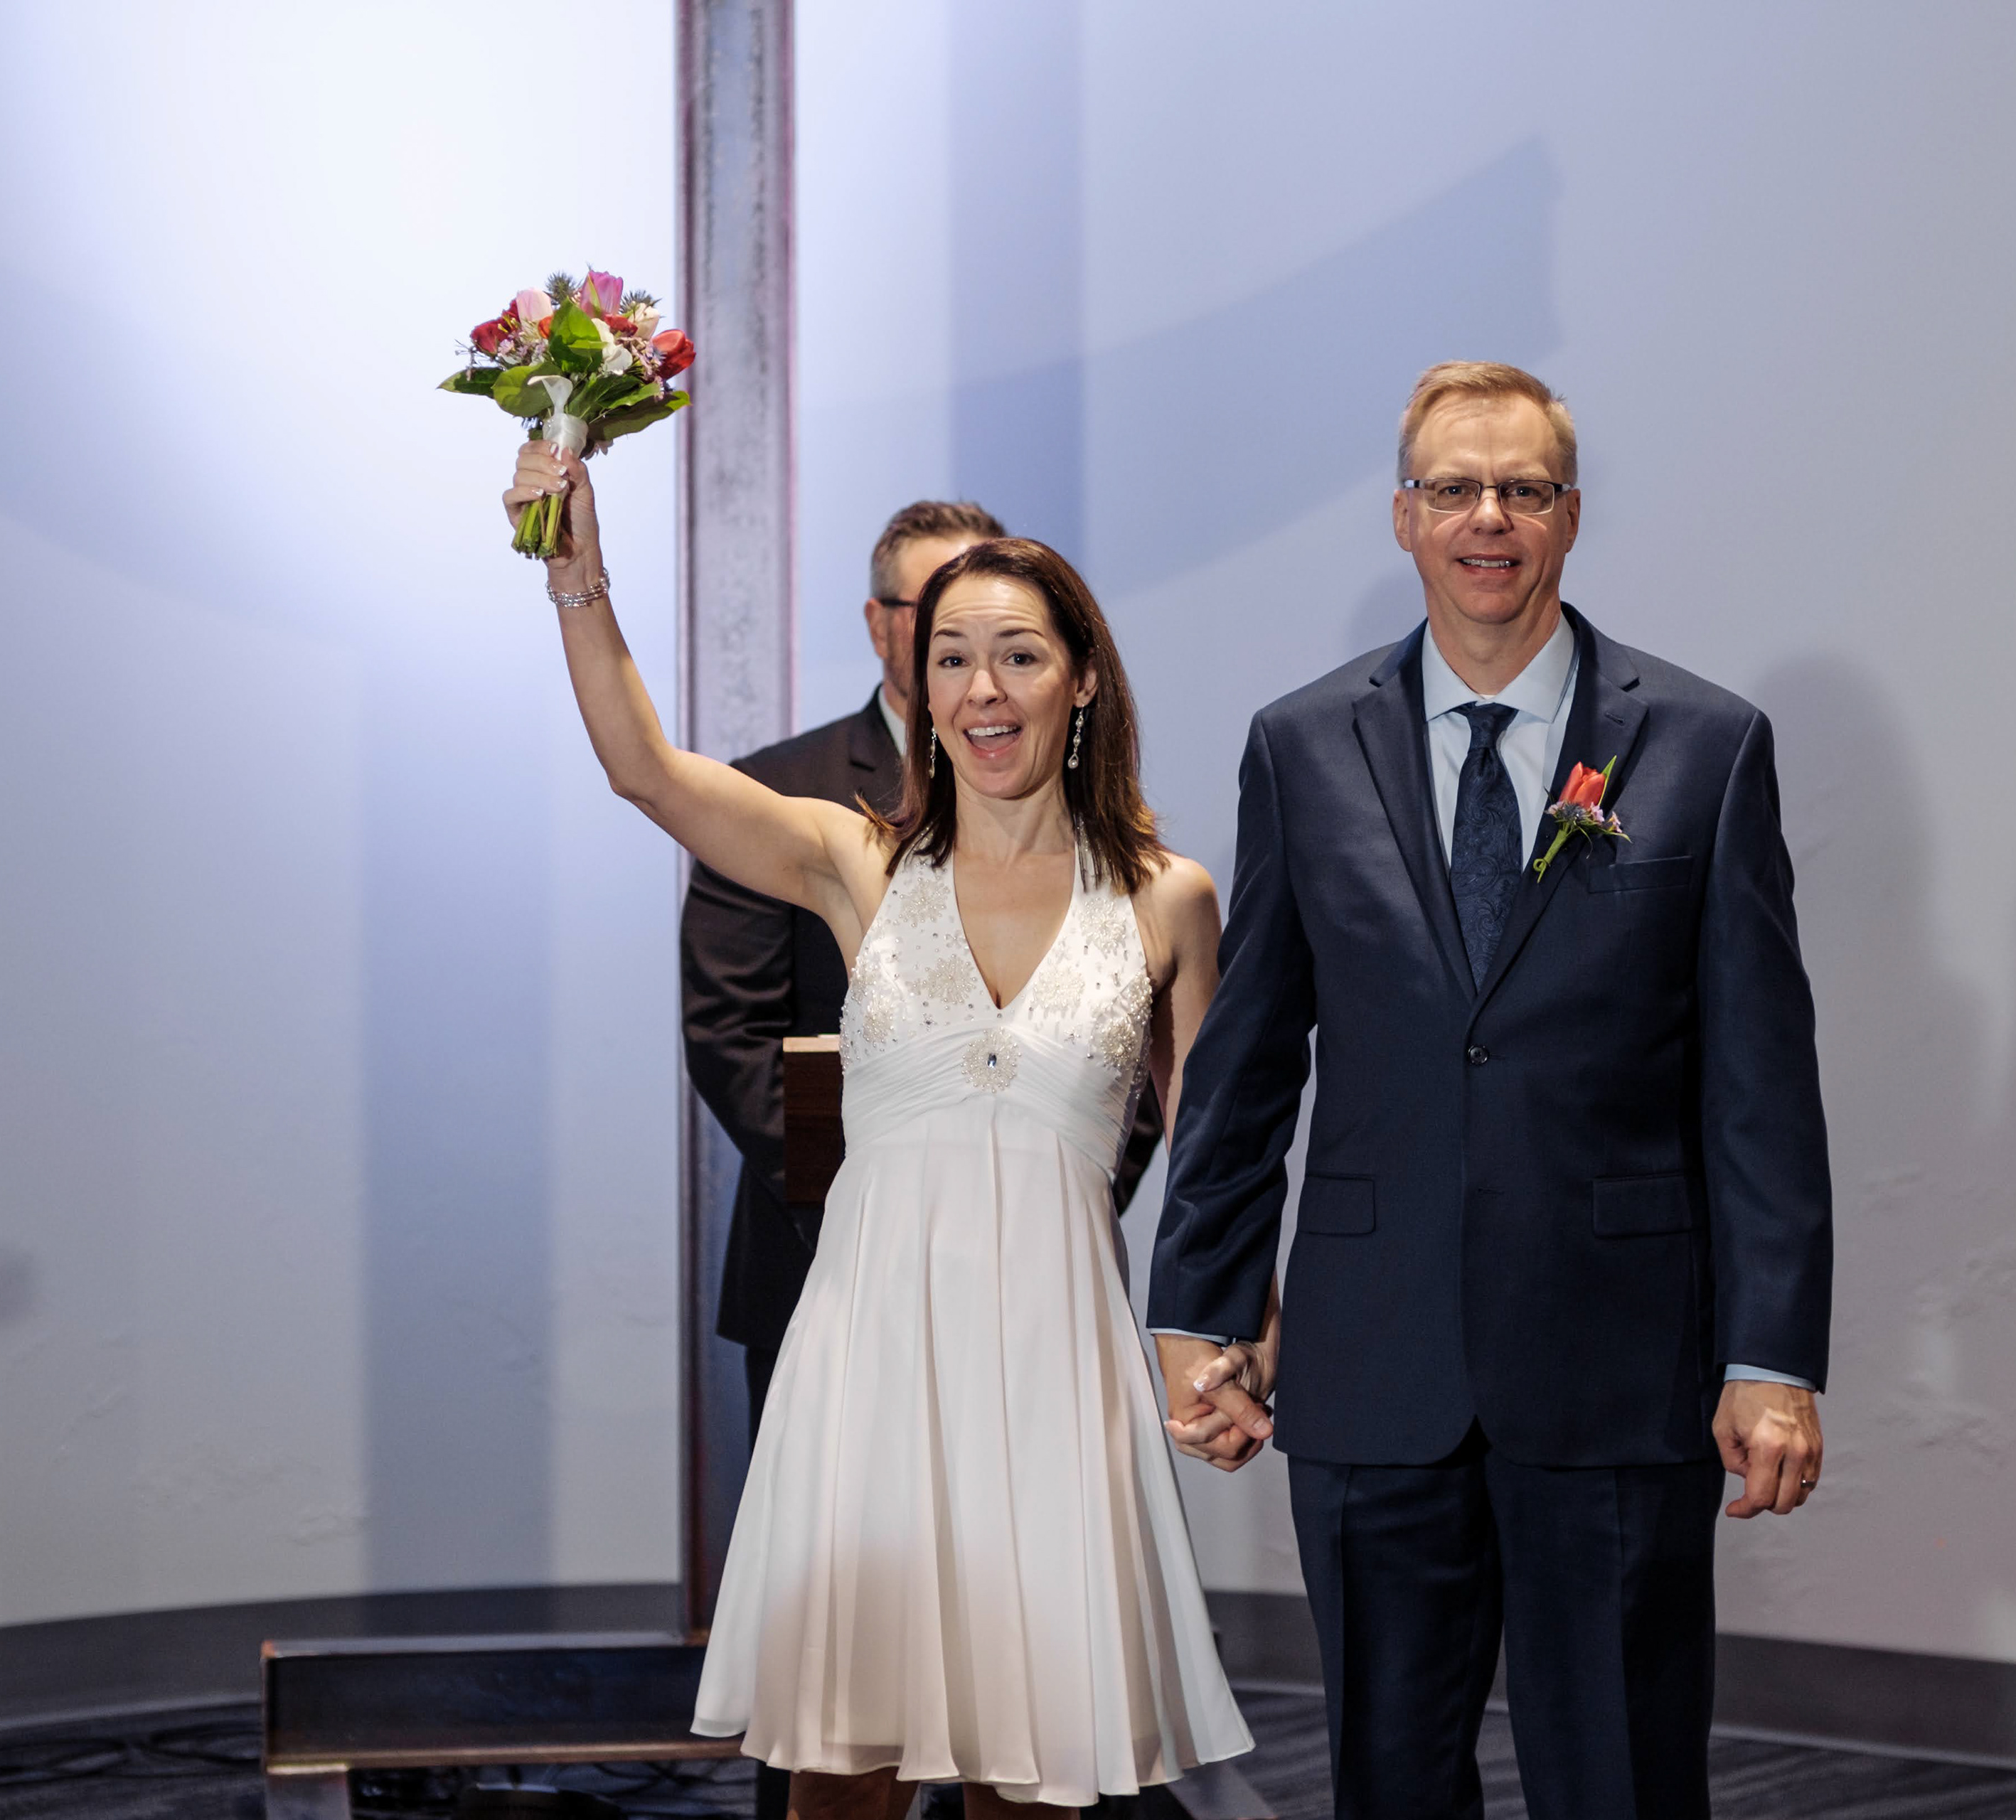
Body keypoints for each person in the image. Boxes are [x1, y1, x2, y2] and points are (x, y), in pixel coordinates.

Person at [503, 443, 1251, 1818]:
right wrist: (574, 566)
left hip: (1059, 1374)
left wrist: (1236, 1343)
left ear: (1083, 678)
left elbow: (1220, 1160)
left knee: (1037, 1774)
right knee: (841, 1781)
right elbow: (645, 772)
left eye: (1018, 656)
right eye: (952, 657)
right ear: (918, 677)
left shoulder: (1170, 898)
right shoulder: (857, 863)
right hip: (870, 1366)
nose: (982, 689)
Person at [1146, 362, 1833, 1820]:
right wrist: (1202, 1307)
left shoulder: (1706, 745)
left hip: (1618, 1365)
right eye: (1454, 488)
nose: (1489, 519)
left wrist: (1772, 1354)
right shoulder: (1300, 744)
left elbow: (1760, 1087)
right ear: (1404, 515)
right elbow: (1248, 1061)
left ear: (1571, 516)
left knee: (1625, 1782)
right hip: (1373, 1365)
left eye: (1524, 490)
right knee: (1390, 1784)